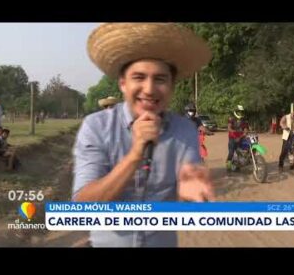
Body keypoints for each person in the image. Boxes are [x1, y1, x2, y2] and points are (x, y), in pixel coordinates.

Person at [72, 23, 214, 247]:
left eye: (160, 79)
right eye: (138, 77)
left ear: (172, 86)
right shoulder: (96, 127)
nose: (149, 89)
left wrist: (196, 196)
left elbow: (195, 199)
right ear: (122, 84)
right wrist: (135, 154)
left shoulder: (185, 130)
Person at [226, 105, 249, 172]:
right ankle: (228, 165)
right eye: (239, 112)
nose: (240, 113)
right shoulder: (231, 119)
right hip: (232, 138)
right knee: (231, 152)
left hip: (241, 137)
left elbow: (246, 129)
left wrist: (245, 132)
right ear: (236, 112)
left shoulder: (244, 120)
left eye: (241, 112)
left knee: (244, 150)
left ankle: (241, 163)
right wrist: (233, 131)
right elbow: (229, 128)